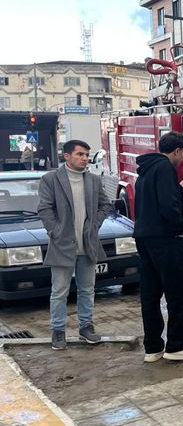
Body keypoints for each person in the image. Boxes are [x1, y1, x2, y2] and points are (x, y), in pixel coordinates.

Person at [133, 132, 183, 362]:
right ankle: (177, 345)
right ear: (176, 151)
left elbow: (157, 200)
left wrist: (180, 191)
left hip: (145, 238)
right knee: (179, 292)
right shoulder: (165, 168)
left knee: (151, 295)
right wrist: (180, 228)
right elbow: (167, 206)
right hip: (166, 240)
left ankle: (153, 348)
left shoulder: (147, 169)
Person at [37, 140, 112, 350]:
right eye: (80, 154)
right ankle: (58, 331)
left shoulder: (94, 180)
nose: (84, 158)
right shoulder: (51, 179)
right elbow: (44, 209)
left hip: (88, 244)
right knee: (59, 291)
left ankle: (86, 327)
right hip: (62, 245)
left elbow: (105, 205)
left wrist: (95, 224)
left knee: (87, 289)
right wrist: (56, 231)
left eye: (87, 155)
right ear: (67, 156)